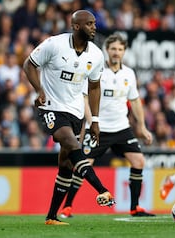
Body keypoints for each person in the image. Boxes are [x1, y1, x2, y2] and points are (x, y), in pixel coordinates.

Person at [23, 10, 114, 225]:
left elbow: (94, 87)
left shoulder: (97, 55)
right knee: (71, 143)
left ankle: (52, 217)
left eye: (94, 23)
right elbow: (29, 64)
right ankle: (101, 190)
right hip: (50, 107)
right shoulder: (54, 44)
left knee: (66, 163)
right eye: (89, 24)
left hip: (76, 112)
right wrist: (39, 90)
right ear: (75, 26)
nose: (94, 27)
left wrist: (96, 121)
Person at [60, 33, 155, 218]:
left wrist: (142, 127)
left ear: (124, 51)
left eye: (120, 49)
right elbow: (85, 97)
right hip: (98, 128)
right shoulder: (97, 70)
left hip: (121, 128)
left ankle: (135, 207)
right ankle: (67, 206)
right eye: (113, 49)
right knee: (83, 164)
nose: (116, 53)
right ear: (107, 50)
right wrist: (91, 121)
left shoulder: (129, 73)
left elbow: (135, 102)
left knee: (139, 161)